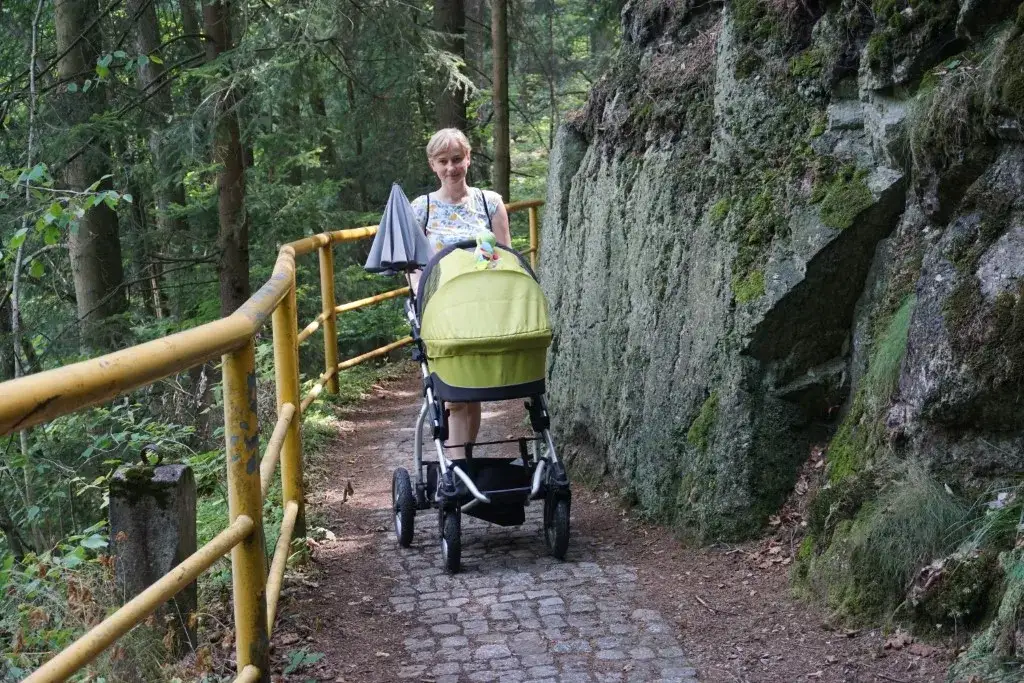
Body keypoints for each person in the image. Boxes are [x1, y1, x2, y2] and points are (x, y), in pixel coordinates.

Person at [411, 128, 511, 458]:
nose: (451, 167)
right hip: (442, 308)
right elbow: (413, 267)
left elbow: (507, 255)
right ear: (433, 165)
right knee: (454, 394)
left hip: (482, 306)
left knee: (473, 389)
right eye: (443, 161)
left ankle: (464, 459)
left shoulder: (490, 203)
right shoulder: (421, 208)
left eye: (457, 159)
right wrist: (422, 301)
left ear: (468, 158)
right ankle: (457, 470)